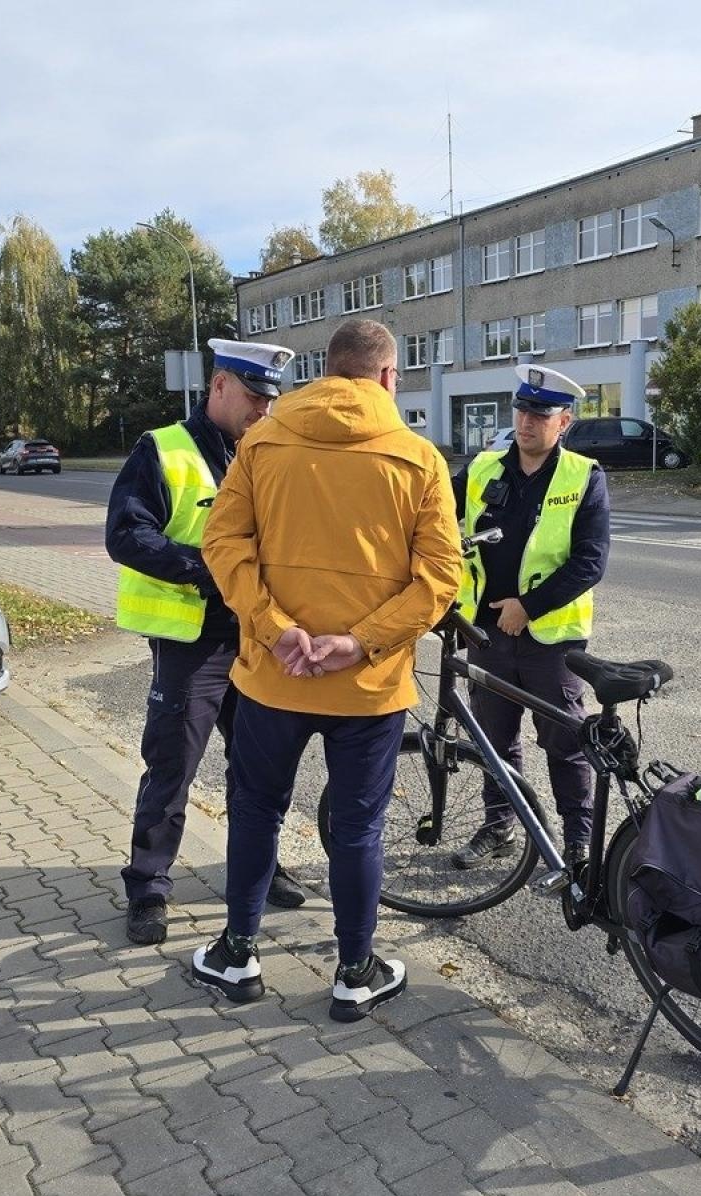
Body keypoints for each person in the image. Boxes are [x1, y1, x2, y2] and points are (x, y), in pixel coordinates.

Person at [192, 317, 463, 1021]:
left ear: (326, 369)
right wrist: (359, 642)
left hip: (274, 677)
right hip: (368, 687)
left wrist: (274, 628)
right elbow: (440, 579)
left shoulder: (263, 442)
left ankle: (237, 954)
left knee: (256, 811)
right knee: (357, 828)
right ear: (388, 377)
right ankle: (354, 972)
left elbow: (222, 543)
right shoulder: (419, 459)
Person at [105, 338, 307, 946]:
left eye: (270, 401)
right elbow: (127, 534)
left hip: (256, 640)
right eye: (252, 397)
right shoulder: (163, 449)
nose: (263, 411)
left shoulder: (269, 452)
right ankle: (148, 886)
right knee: (172, 766)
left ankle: (260, 867)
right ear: (219, 385)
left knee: (259, 769)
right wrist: (209, 569)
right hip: (193, 643)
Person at [449, 364, 610, 872]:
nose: (526, 422)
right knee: (494, 740)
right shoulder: (483, 469)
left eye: (540, 414)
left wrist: (529, 607)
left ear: (564, 422)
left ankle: (578, 843)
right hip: (486, 633)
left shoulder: (584, 476)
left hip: (551, 640)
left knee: (565, 743)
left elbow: (590, 561)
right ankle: (500, 826)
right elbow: (433, 513)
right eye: (521, 410)